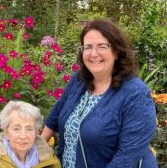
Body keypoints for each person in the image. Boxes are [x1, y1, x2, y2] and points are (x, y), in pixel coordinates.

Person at [41, 19, 157, 168]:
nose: (93, 54)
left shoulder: (136, 95)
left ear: (116, 51)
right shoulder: (80, 79)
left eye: (102, 46)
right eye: (88, 47)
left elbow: (126, 159)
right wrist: (35, 151)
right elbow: (56, 115)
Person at [0, 100, 61, 168]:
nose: (23, 136)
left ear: (36, 132)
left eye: (29, 129)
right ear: (6, 131)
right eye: (16, 129)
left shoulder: (50, 161)